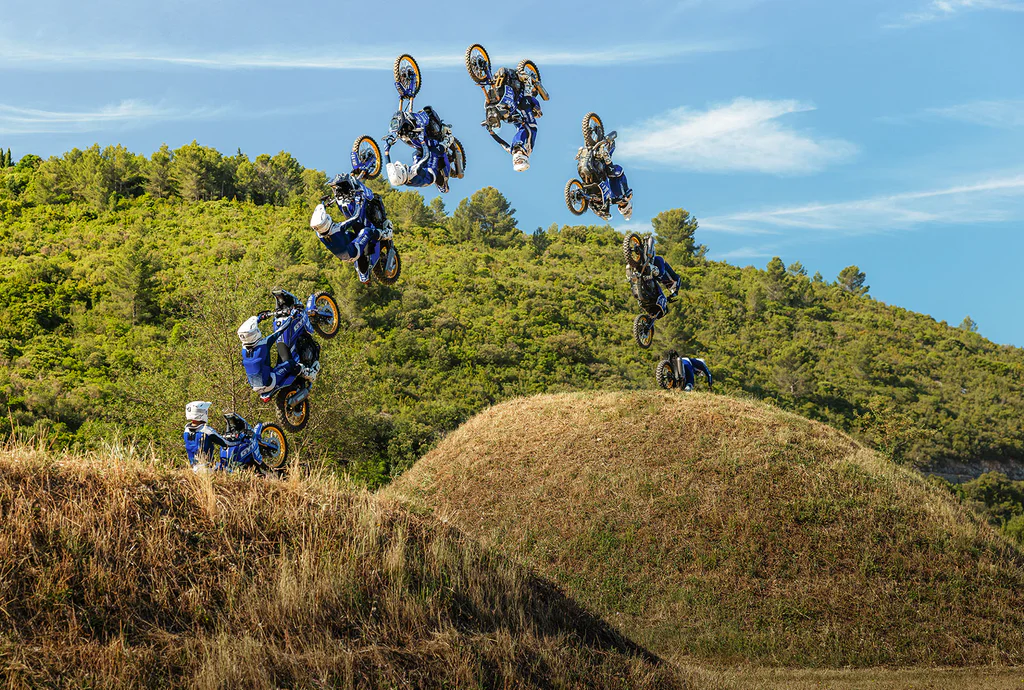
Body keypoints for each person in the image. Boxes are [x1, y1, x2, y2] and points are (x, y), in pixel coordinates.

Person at [309, 173, 387, 283]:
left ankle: (365, 271)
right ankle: (383, 234)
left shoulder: (320, 233)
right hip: (352, 251)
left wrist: (324, 205)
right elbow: (355, 217)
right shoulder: (336, 228)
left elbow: (320, 219)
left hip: (343, 251)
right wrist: (358, 202)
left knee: (353, 234)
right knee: (366, 231)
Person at [487, 67, 543, 172]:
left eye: (517, 162)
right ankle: (527, 83)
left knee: (506, 113)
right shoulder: (528, 149)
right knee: (525, 103)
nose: (517, 160)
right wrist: (523, 123)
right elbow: (530, 133)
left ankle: (504, 90)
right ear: (525, 159)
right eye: (520, 162)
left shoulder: (512, 150)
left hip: (520, 125)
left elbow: (502, 143)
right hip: (529, 124)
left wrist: (492, 133)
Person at [384, 107, 452, 192]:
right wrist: (422, 142)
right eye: (397, 168)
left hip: (420, 173)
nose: (398, 166)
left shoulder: (393, 176)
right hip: (430, 173)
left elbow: (387, 163)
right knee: (435, 151)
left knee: (415, 155)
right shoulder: (414, 173)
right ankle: (448, 139)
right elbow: (426, 157)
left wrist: (387, 149)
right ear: (401, 173)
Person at [183, 401, 227, 472]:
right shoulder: (206, 430)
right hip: (207, 467)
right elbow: (225, 443)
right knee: (229, 469)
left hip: (193, 467)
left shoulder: (186, 430)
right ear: (202, 413)